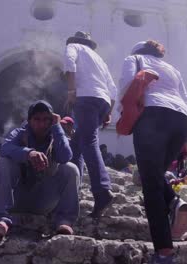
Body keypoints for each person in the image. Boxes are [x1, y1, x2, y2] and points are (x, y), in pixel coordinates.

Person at [119, 40, 187, 263]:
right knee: (153, 175)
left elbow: (126, 87)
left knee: (151, 187)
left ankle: (164, 252)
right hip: (182, 119)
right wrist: (186, 139)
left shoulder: (134, 59)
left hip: (153, 114)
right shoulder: (173, 69)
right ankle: (175, 203)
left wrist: (121, 115)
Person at [0, 100, 80, 237]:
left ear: (51, 121)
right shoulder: (19, 133)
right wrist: (28, 153)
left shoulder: (57, 136)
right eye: (36, 119)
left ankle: (64, 220)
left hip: (43, 200)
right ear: (29, 121)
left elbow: (66, 156)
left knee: (71, 169)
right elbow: (5, 148)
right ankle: (0, 219)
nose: (41, 124)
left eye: (46, 120)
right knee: (4, 162)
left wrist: (58, 128)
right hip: (16, 199)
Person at [64, 31, 117, 218]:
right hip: (102, 102)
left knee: (88, 142)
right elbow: (113, 89)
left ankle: (102, 190)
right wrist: (108, 112)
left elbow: (70, 64)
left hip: (85, 97)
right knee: (77, 145)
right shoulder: (99, 59)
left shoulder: (73, 47)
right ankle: (71, 188)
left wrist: (71, 90)